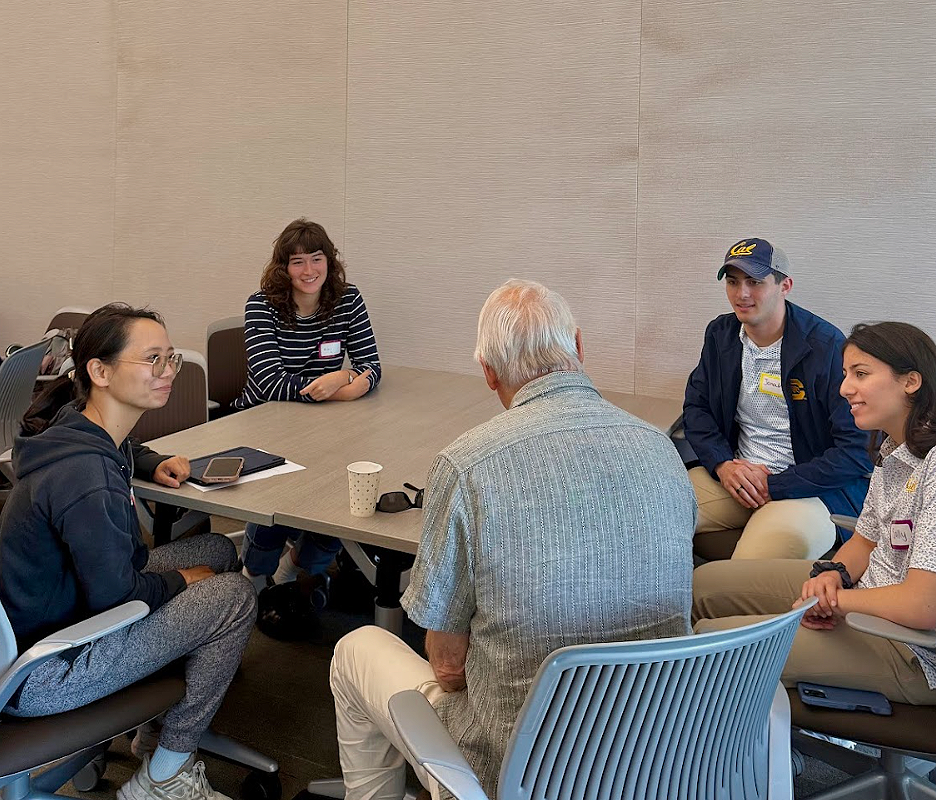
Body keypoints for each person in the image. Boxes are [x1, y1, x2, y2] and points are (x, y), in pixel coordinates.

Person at [327, 279, 697, 800]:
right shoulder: (662, 450)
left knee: (354, 650)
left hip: (517, 771)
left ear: (488, 371)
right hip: (661, 758)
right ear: (579, 345)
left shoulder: (466, 466)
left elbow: (448, 668)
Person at [0, 304, 257, 800]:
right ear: (100, 371)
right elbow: (117, 596)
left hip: (57, 615)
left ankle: (153, 731)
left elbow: (121, 450)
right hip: (43, 670)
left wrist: (150, 460)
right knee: (234, 596)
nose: (167, 372)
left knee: (216, 551)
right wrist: (183, 581)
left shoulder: (79, 426)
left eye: (170, 358)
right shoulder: (87, 479)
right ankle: (164, 776)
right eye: (151, 359)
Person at [694, 321, 936, 705]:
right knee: (703, 586)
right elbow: (865, 540)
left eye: (860, 374)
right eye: (845, 374)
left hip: (912, 649)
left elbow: (924, 606)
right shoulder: (893, 450)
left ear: (911, 382)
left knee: (708, 646)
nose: (844, 388)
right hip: (866, 596)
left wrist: (833, 602)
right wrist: (834, 575)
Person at [683, 237, 872, 559]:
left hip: (808, 489)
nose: (742, 294)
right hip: (735, 474)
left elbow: (857, 450)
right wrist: (724, 464)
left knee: (749, 572)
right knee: (644, 512)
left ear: (785, 286)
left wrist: (776, 485)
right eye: (733, 282)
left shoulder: (826, 346)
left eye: (755, 282)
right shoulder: (721, 334)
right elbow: (697, 409)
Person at [234, 219, 381, 591]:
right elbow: (270, 383)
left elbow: (372, 366)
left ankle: (294, 569)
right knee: (279, 494)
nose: (308, 270)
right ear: (283, 268)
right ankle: (253, 575)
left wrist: (345, 377)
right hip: (264, 421)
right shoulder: (261, 306)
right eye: (297, 261)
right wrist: (342, 386)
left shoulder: (347, 299)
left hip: (326, 423)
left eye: (317, 258)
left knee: (341, 495)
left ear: (329, 261)